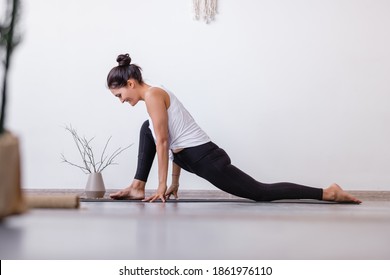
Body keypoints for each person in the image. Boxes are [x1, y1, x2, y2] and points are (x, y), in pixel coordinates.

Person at [107, 53, 362, 204]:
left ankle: (328, 192)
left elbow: (164, 143)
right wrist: (174, 182)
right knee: (146, 127)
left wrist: (160, 187)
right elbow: (172, 138)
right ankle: (137, 186)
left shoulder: (153, 95)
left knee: (261, 193)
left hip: (207, 160)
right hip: (193, 158)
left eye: (119, 95)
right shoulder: (152, 98)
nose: (121, 101)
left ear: (130, 83)